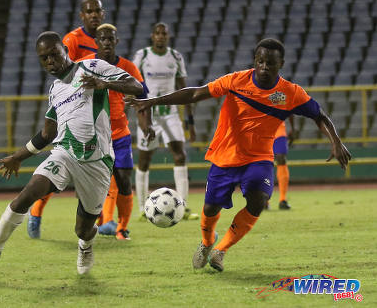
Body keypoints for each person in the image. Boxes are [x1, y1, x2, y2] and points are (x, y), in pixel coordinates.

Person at [127, 38, 351, 272]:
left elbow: (320, 115)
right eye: (260, 61)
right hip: (225, 156)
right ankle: (206, 243)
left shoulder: (290, 93)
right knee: (211, 209)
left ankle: (221, 250)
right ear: (255, 60)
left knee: (259, 201)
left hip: (259, 157)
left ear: (280, 64)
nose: (264, 67)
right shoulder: (236, 80)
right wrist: (152, 101)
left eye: (270, 63)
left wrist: (336, 141)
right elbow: (195, 94)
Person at [0, 31, 144, 274]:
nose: (50, 61)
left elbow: (136, 86)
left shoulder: (92, 66)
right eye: (44, 58)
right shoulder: (55, 89)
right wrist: (18, 157)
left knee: (83, 228)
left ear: (65, 51)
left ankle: (85, 244)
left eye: (53, 54)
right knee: (27, 194)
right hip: (65, 154)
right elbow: (47, 135)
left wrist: (105, 83)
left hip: (98, 161)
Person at [28, 24, 153, 241]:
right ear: (95, 41)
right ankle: (36, 212)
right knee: (56, 178)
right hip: (83, 134)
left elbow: (140, 93)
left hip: (118, 132)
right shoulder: (88, 65)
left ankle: (120, 228)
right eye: (102, 39)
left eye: (110, 39)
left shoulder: (128, 67)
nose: (106, 42)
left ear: (117, 41)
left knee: (123, 180)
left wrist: (145, 124)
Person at [27, 0, 106, 238]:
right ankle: (36, 213)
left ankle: (107, 224)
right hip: (72, 105)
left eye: (97, 11)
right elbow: (65, 69)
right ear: (82, 15)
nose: (93, 15)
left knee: (110, 169)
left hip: (98, 107)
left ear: (103, 14)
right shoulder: (72, 40)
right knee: (58, 170)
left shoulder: (105, 38)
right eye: (89, 11)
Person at [132, 22, 198, 221]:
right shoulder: (142, 56)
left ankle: (183, 207)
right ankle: (143, 208)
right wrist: (141, 115)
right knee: (144, 160)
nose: (160, 36)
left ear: (168, 36)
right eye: (157, 33)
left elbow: (185, 91)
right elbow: (134, 86)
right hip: (149, 114)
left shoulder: (176, 57)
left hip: (170, 114)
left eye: (164, 33)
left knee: (180, 155)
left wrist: (190, 122)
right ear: (152, 36)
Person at [272, 117, 296, 210]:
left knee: (281, 158)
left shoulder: (282, 101)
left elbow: (290, 108)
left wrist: (293, 129)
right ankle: (264, 200)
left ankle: (282, 200)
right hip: (261, 129)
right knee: (263, 161)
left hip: (279, 129)